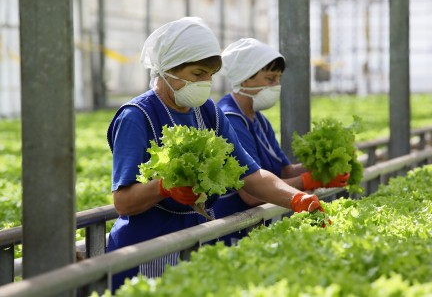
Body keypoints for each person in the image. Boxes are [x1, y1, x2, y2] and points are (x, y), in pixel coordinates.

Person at [106, 18, 325, 292]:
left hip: (197, 243)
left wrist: (296, 199)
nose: (206, 82)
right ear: (167, 69)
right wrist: (163, 187)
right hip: (146, 252)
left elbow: (251, 175)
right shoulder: (137, 117)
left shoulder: (207, 112)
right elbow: (123, 202)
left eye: (210, 74)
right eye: (198, 74)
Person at [213, 38, 349, 245]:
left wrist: (324, 169)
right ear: (245, 79)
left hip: (253, 226)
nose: (277, 86)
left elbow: (284, 171)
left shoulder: (257, 119)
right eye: (270, 79)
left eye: (278, 78)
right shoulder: (230, 119)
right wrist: (308, 182)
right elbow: (250, 193)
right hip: (229, 229)